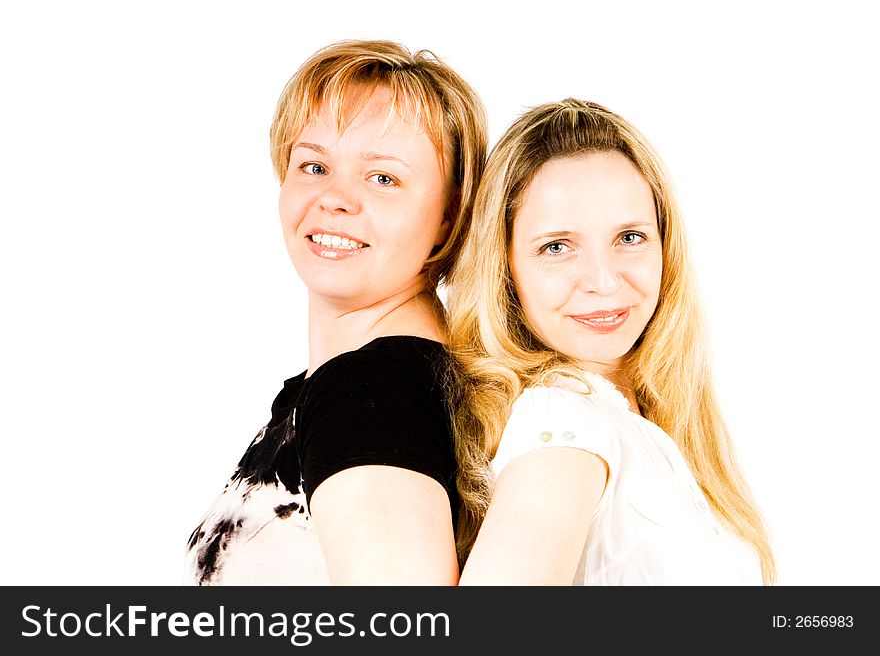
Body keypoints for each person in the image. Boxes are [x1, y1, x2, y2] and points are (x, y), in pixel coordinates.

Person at [184, 40, 487, 585]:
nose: (335, 197)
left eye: (383, 178)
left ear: (449, 215)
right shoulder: (366, 386)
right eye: (314, 165)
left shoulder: (370, 392)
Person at [446, 98, 775, 585]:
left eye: (630, 238)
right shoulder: (565, 423)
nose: (603, 281)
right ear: (505, 270)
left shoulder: (653, 420)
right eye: (557, 247)